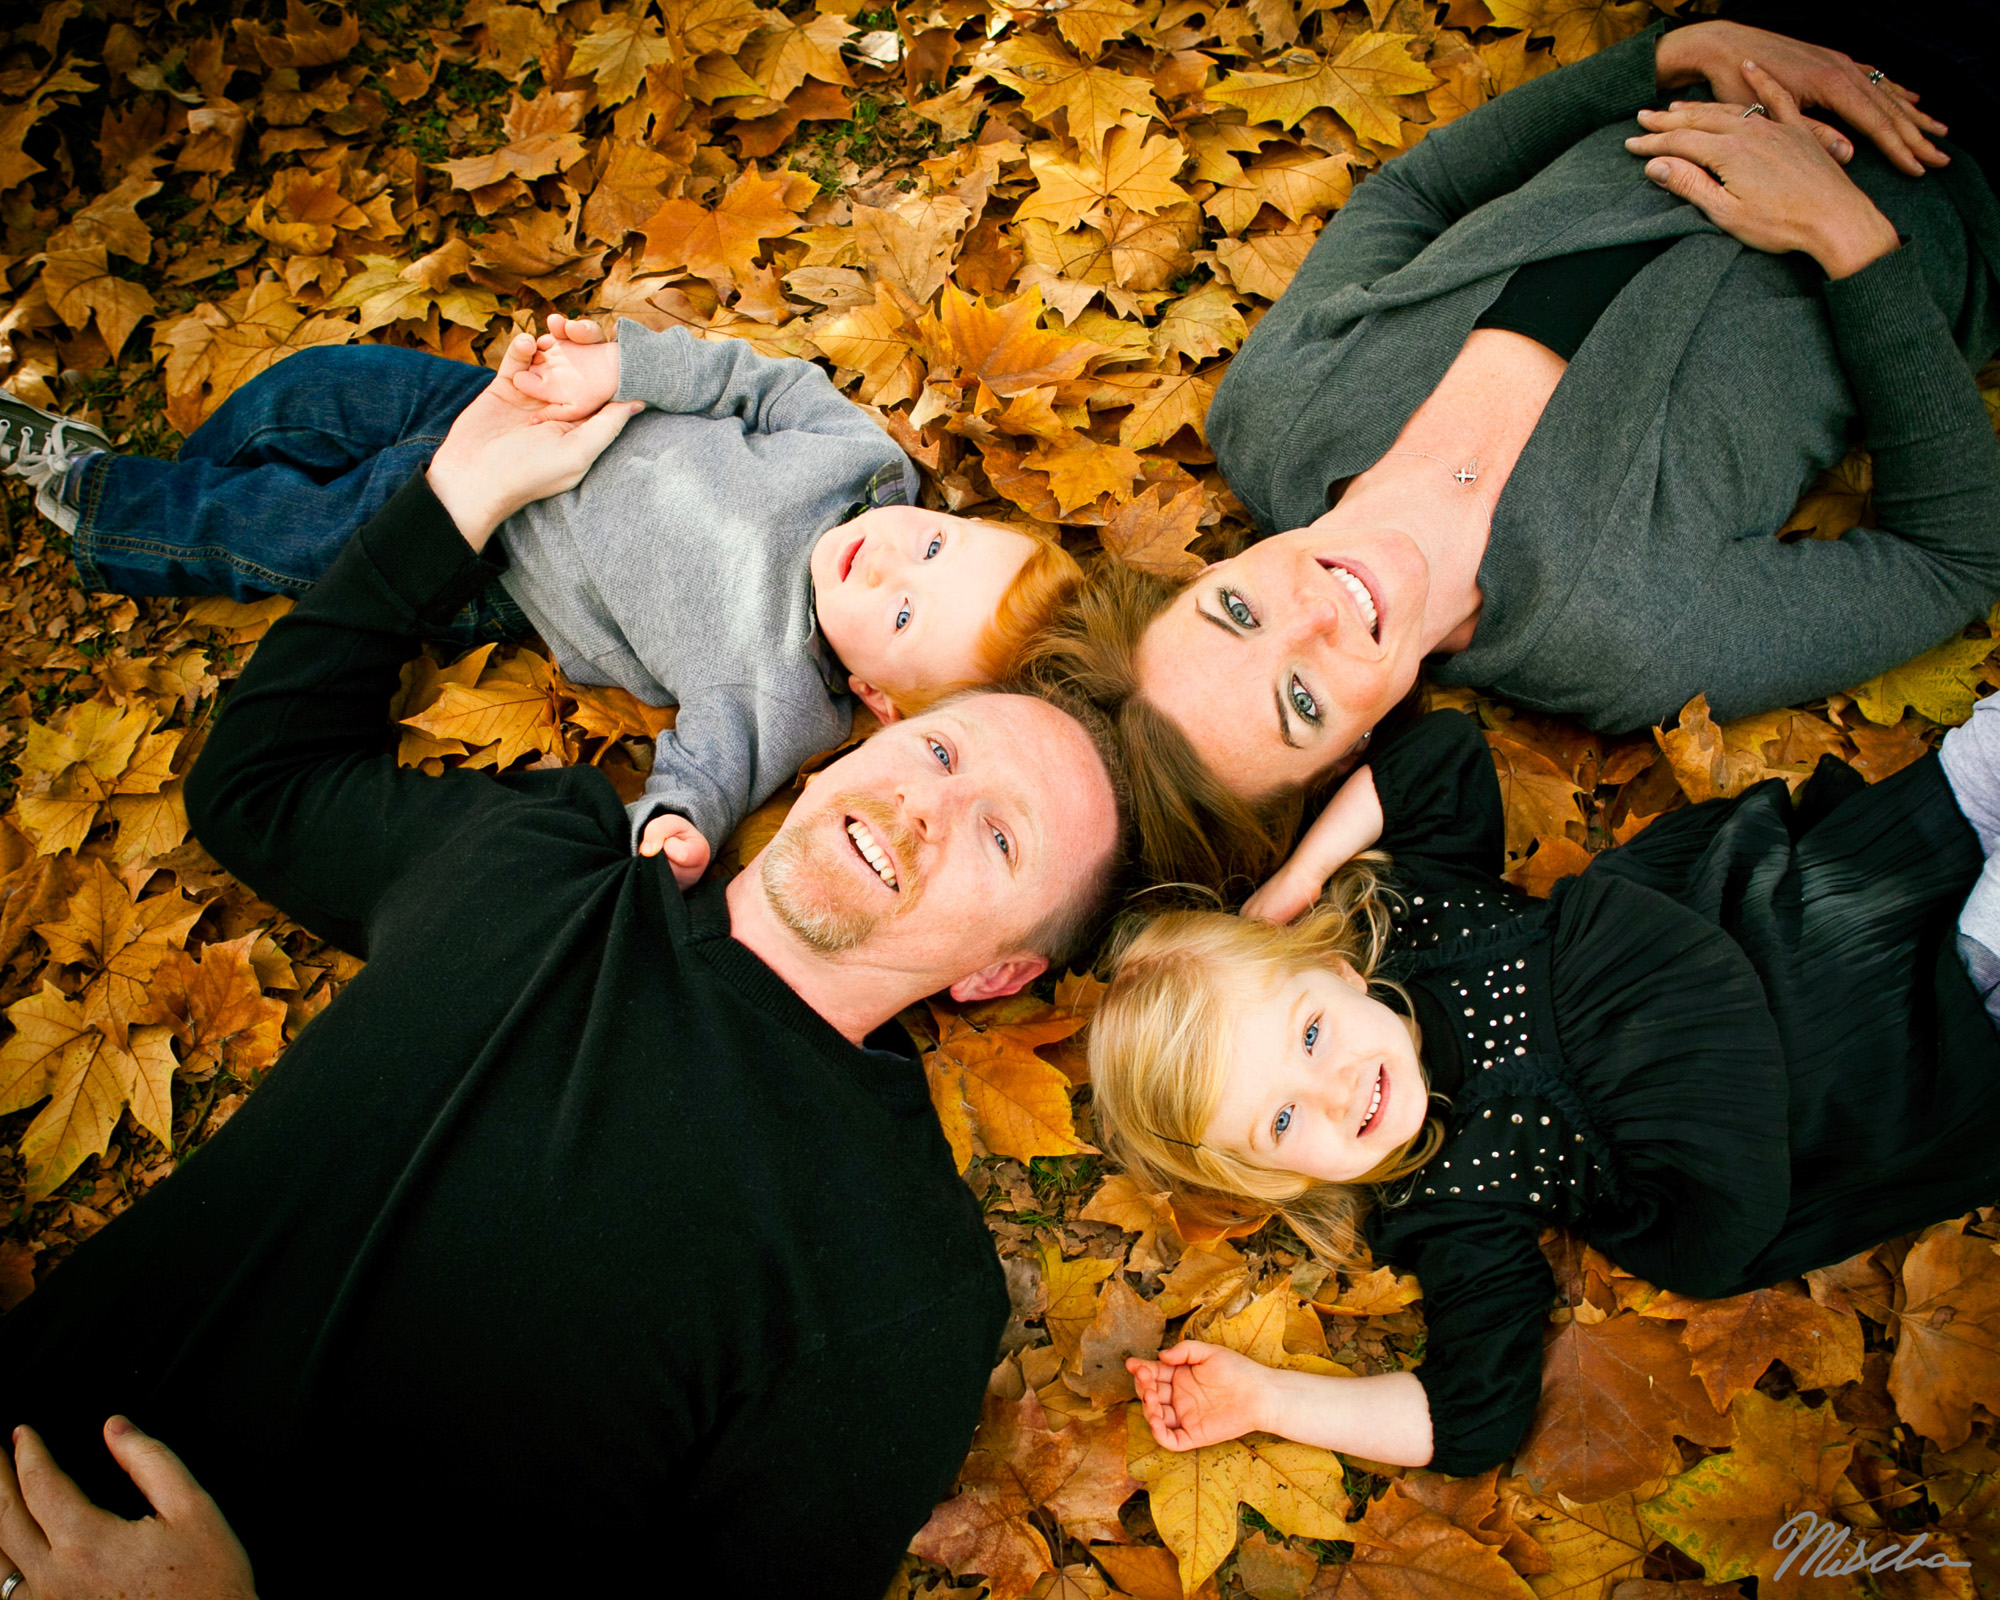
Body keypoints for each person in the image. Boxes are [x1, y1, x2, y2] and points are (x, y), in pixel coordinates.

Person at [0, 343, 1128, 1597]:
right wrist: (453, 505)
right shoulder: (546, 852)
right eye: (944, 752)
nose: (929, 806)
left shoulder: (901, 1286)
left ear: (995, 974)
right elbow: (254, 785)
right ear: (856, 744)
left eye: (1000, 837)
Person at [1024, 12, 2000, 888]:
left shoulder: (1272, 415)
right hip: (1967, 162)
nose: (1311, 613)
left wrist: (1674, 54)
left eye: (1234, 610)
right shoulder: (1620, 633)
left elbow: (1409, 195)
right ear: (1350, 753)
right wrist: (1847, 239)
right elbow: (1952, 558)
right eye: (1299, 698)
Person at [1085, 701, 2000, 1476]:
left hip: (1844, 892)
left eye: (1311, 1033)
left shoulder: (1424, 917)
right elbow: (1472, 1414)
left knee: (1978, 769)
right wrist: (1274, 1397)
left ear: (1335, 967)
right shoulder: (1444, 1195)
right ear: (1275, 1179)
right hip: (1862, 1072)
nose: (1334, 1089)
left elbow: (1435, 755)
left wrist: (1302, 873)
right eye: (1282, 1120)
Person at [0, 314, 1082, 883]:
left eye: (903, 614)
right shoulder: (860, 464)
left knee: (282, 534)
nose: (891, 563)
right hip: (511, 415)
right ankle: (186, 470)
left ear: (881, 701)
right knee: (314, 387)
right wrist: (619, 366)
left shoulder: (780, 689)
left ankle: (99, 502)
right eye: (935, 544)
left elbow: (704, 770)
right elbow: (754, 380)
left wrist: (671, 829)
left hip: (482, 555)